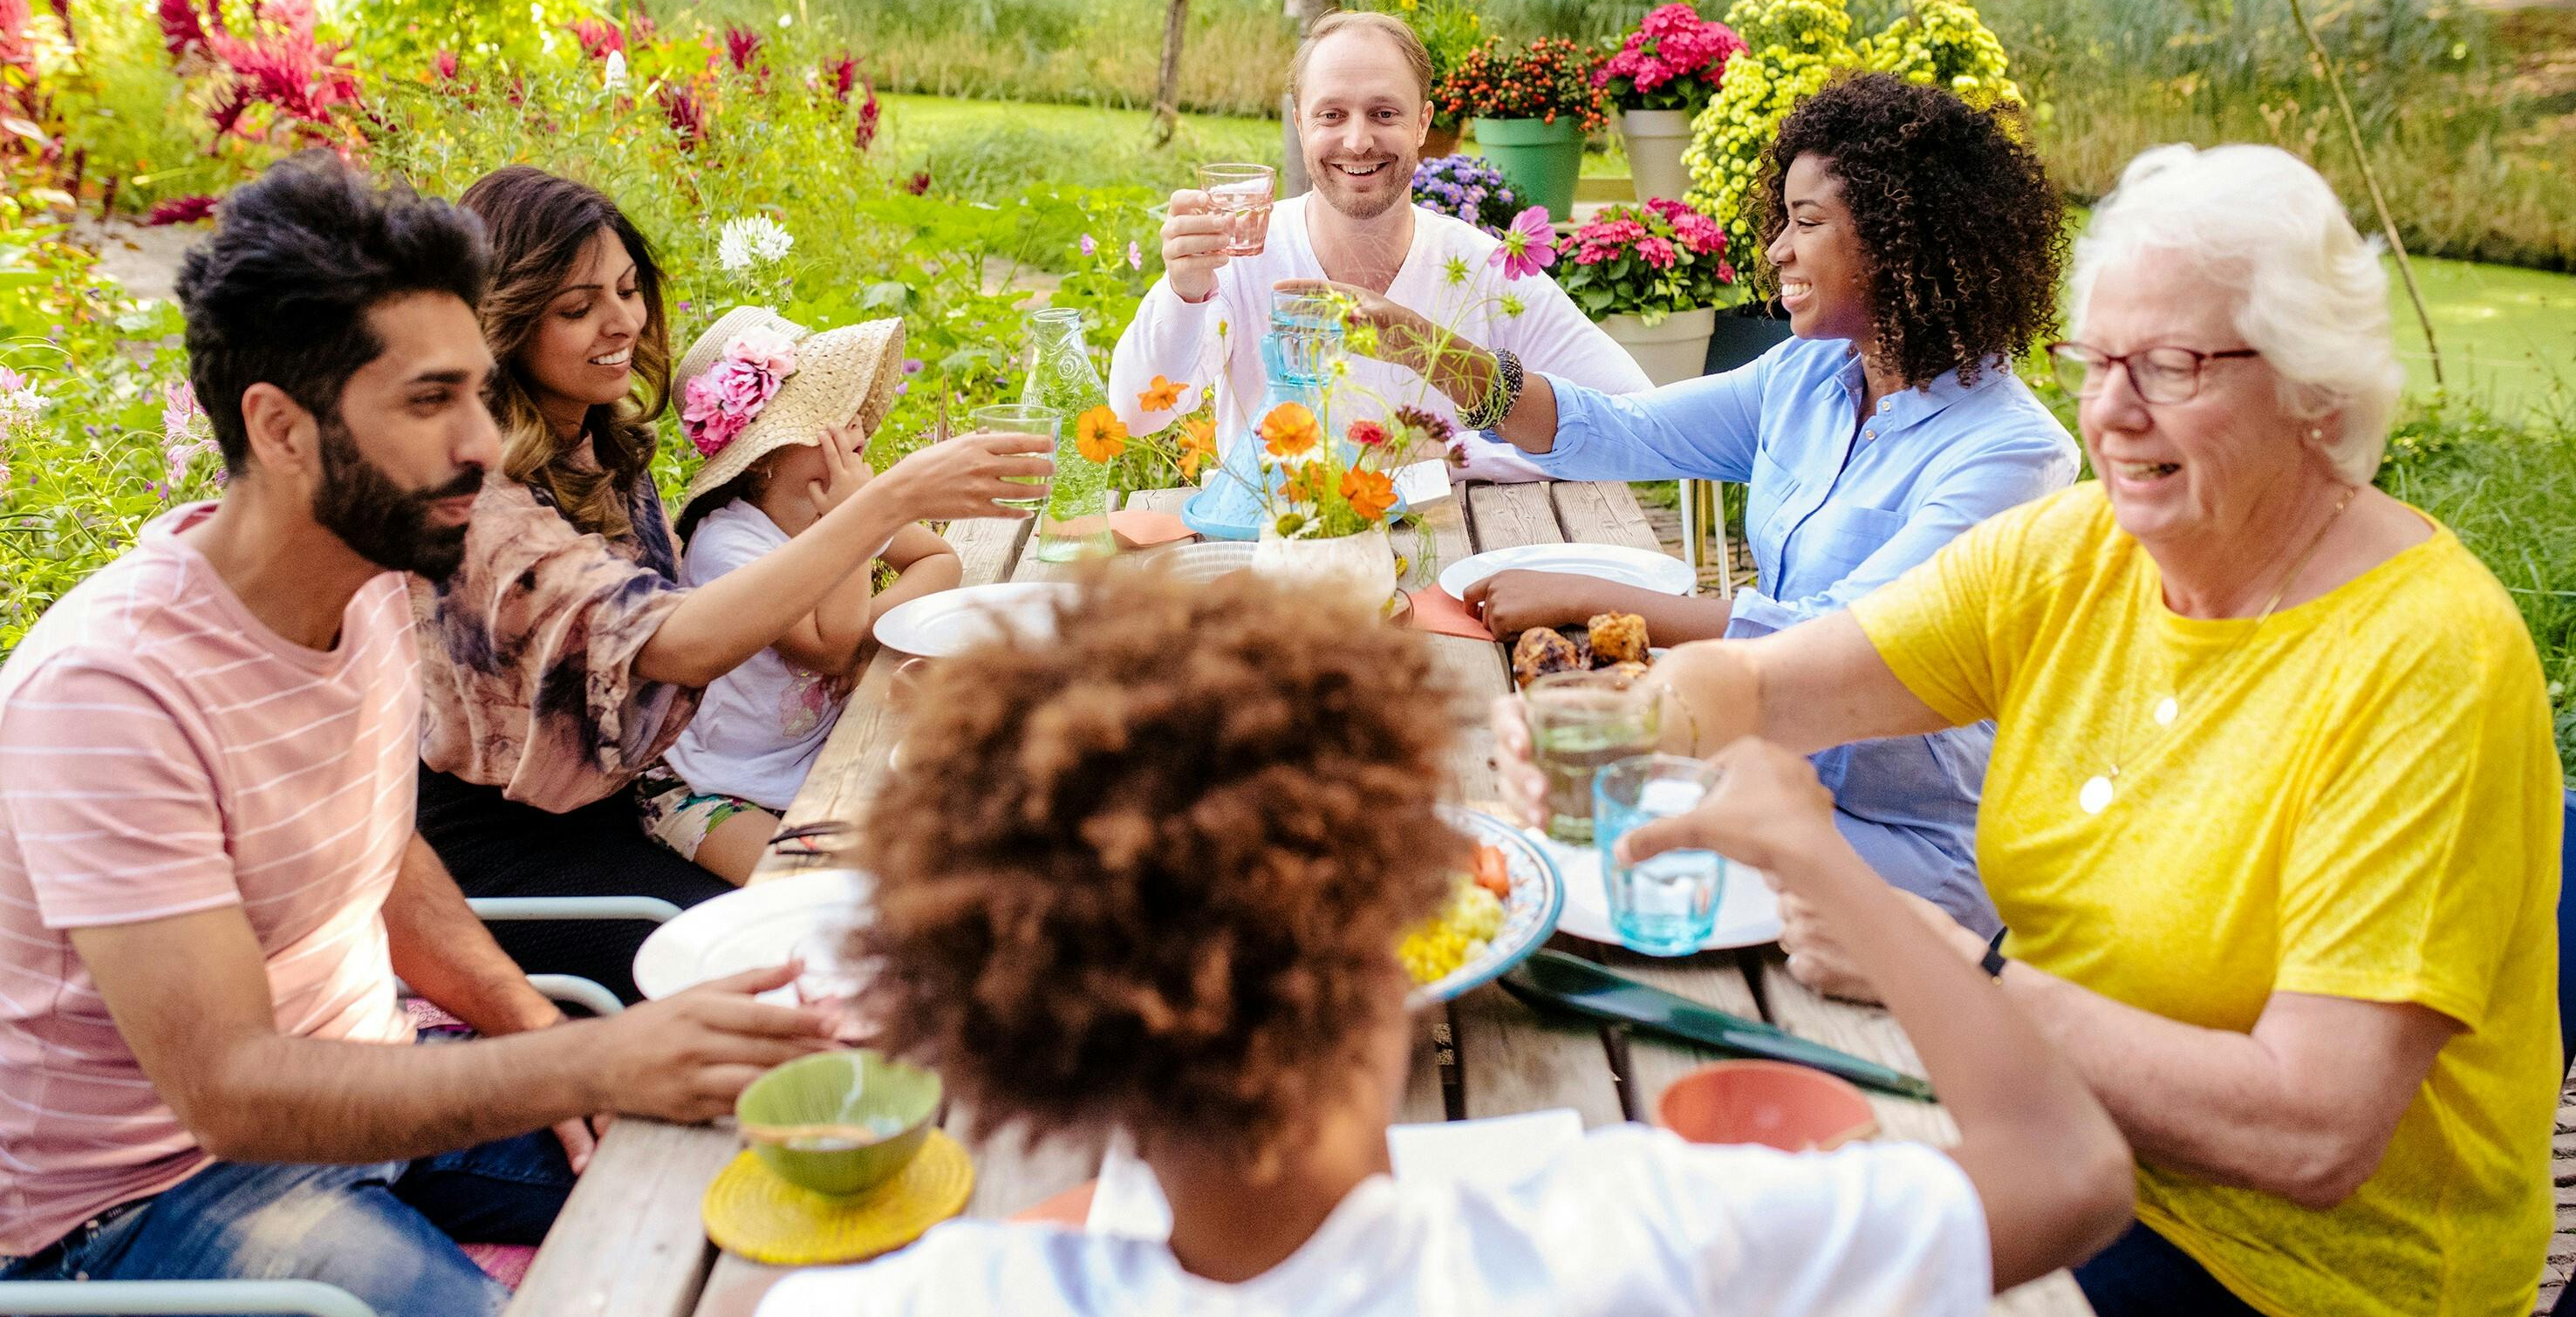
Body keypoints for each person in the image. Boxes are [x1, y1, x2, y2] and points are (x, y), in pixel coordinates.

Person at [1492, 144, 2560, 1316]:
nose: (2109, 408)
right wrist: (1614, 724)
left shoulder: (2419, 660)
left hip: (2283, 1273)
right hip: (2047, 1138)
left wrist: (1953, 969)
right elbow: (1767, 684)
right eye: (2096, 358)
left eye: (2169, 363)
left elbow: (2312, 1130)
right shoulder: (2075, 552)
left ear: (2317, 388)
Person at [752, 563, 2132, 1317]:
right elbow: (2066, 1170)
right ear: (1400, 946)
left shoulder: (912, 1293)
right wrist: (1829, 862)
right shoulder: (1632, 1241)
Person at [0, 155, 835, 1315]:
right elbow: (231, 1090)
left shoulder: (372, 583)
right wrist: (587, 1057)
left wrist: (535, 1028)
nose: (487, 446)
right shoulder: (105, 692)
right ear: (281, 428)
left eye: (480, 396)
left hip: (377, 1077)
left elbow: (385, 857)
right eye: (430, 401)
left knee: (773, 1157)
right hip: (145, 1195)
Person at [1317, 72, 2076, 930]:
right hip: (1758, 776)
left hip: (1903, 841)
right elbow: (1616, 431)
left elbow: (1835, 640)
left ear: (1907, 240)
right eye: (1781, 220)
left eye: (1808, 223)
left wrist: (1592, 597)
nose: (1778, 251)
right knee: (1522, 838)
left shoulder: (2011, 453)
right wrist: (1424, 347)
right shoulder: (1807, 376)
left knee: (1558, 864)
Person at [413, 167, 1049, 997]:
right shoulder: (481, 506)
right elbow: (678, 644)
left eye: (629, 289)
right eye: (577, 308)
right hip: (521, 853)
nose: (621, 323)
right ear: (503, 327)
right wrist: (887, 500)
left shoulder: (602, 450)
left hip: (633, 793)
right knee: (818, 977)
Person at [1109, 10, 1650, 480]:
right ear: (1300, 125)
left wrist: (1453, 455)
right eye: (1332, 115)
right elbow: (1135, 416)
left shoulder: (1480, 269)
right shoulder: (1240, 257)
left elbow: (1637, 421)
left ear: (1423, 124)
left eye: (1384, 113)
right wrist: (1185, 290)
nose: (1358, 140)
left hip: (1456, 565)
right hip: (1278, 567)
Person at [644, 305, 963, 885]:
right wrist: (856, 522)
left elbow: (937, 559)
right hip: (709, 783)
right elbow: (827, 648)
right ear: (766, 459)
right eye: (832, 420)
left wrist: (871, 631)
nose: (859, 433)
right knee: (818, 892)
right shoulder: (728, 545)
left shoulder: (824, 504)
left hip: (809, 753)